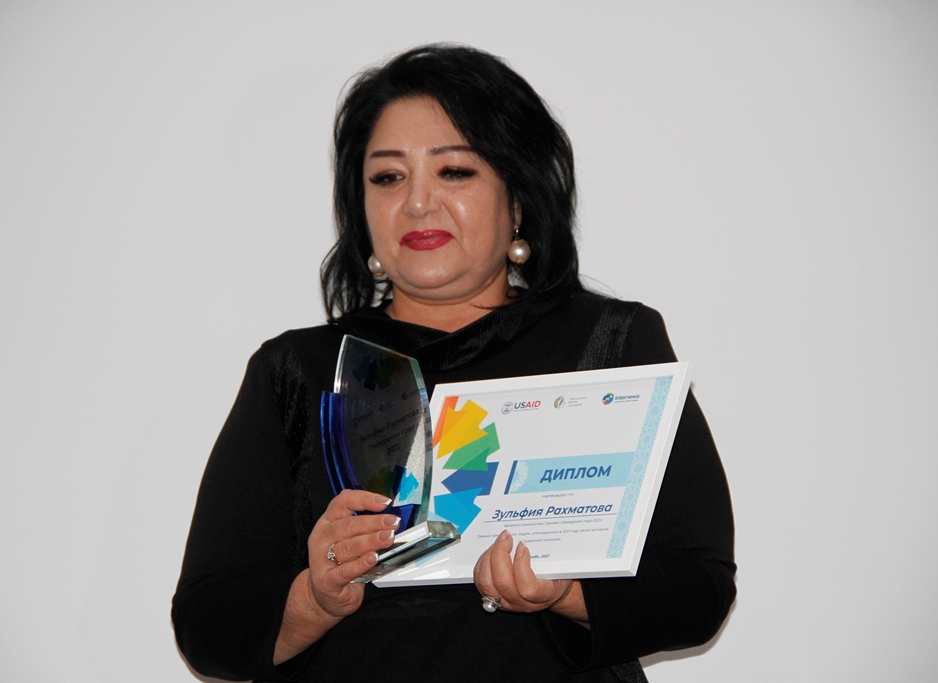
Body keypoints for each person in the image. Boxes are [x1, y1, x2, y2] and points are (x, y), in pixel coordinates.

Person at [172, 44, 735, 682]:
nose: (418, 203)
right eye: (388, 178)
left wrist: (565, 594)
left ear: (518, 199)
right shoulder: (296, 370)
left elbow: (699, 586)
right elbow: (207, 626)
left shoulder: (609, 344)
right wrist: (316, 595)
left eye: (455, 171)